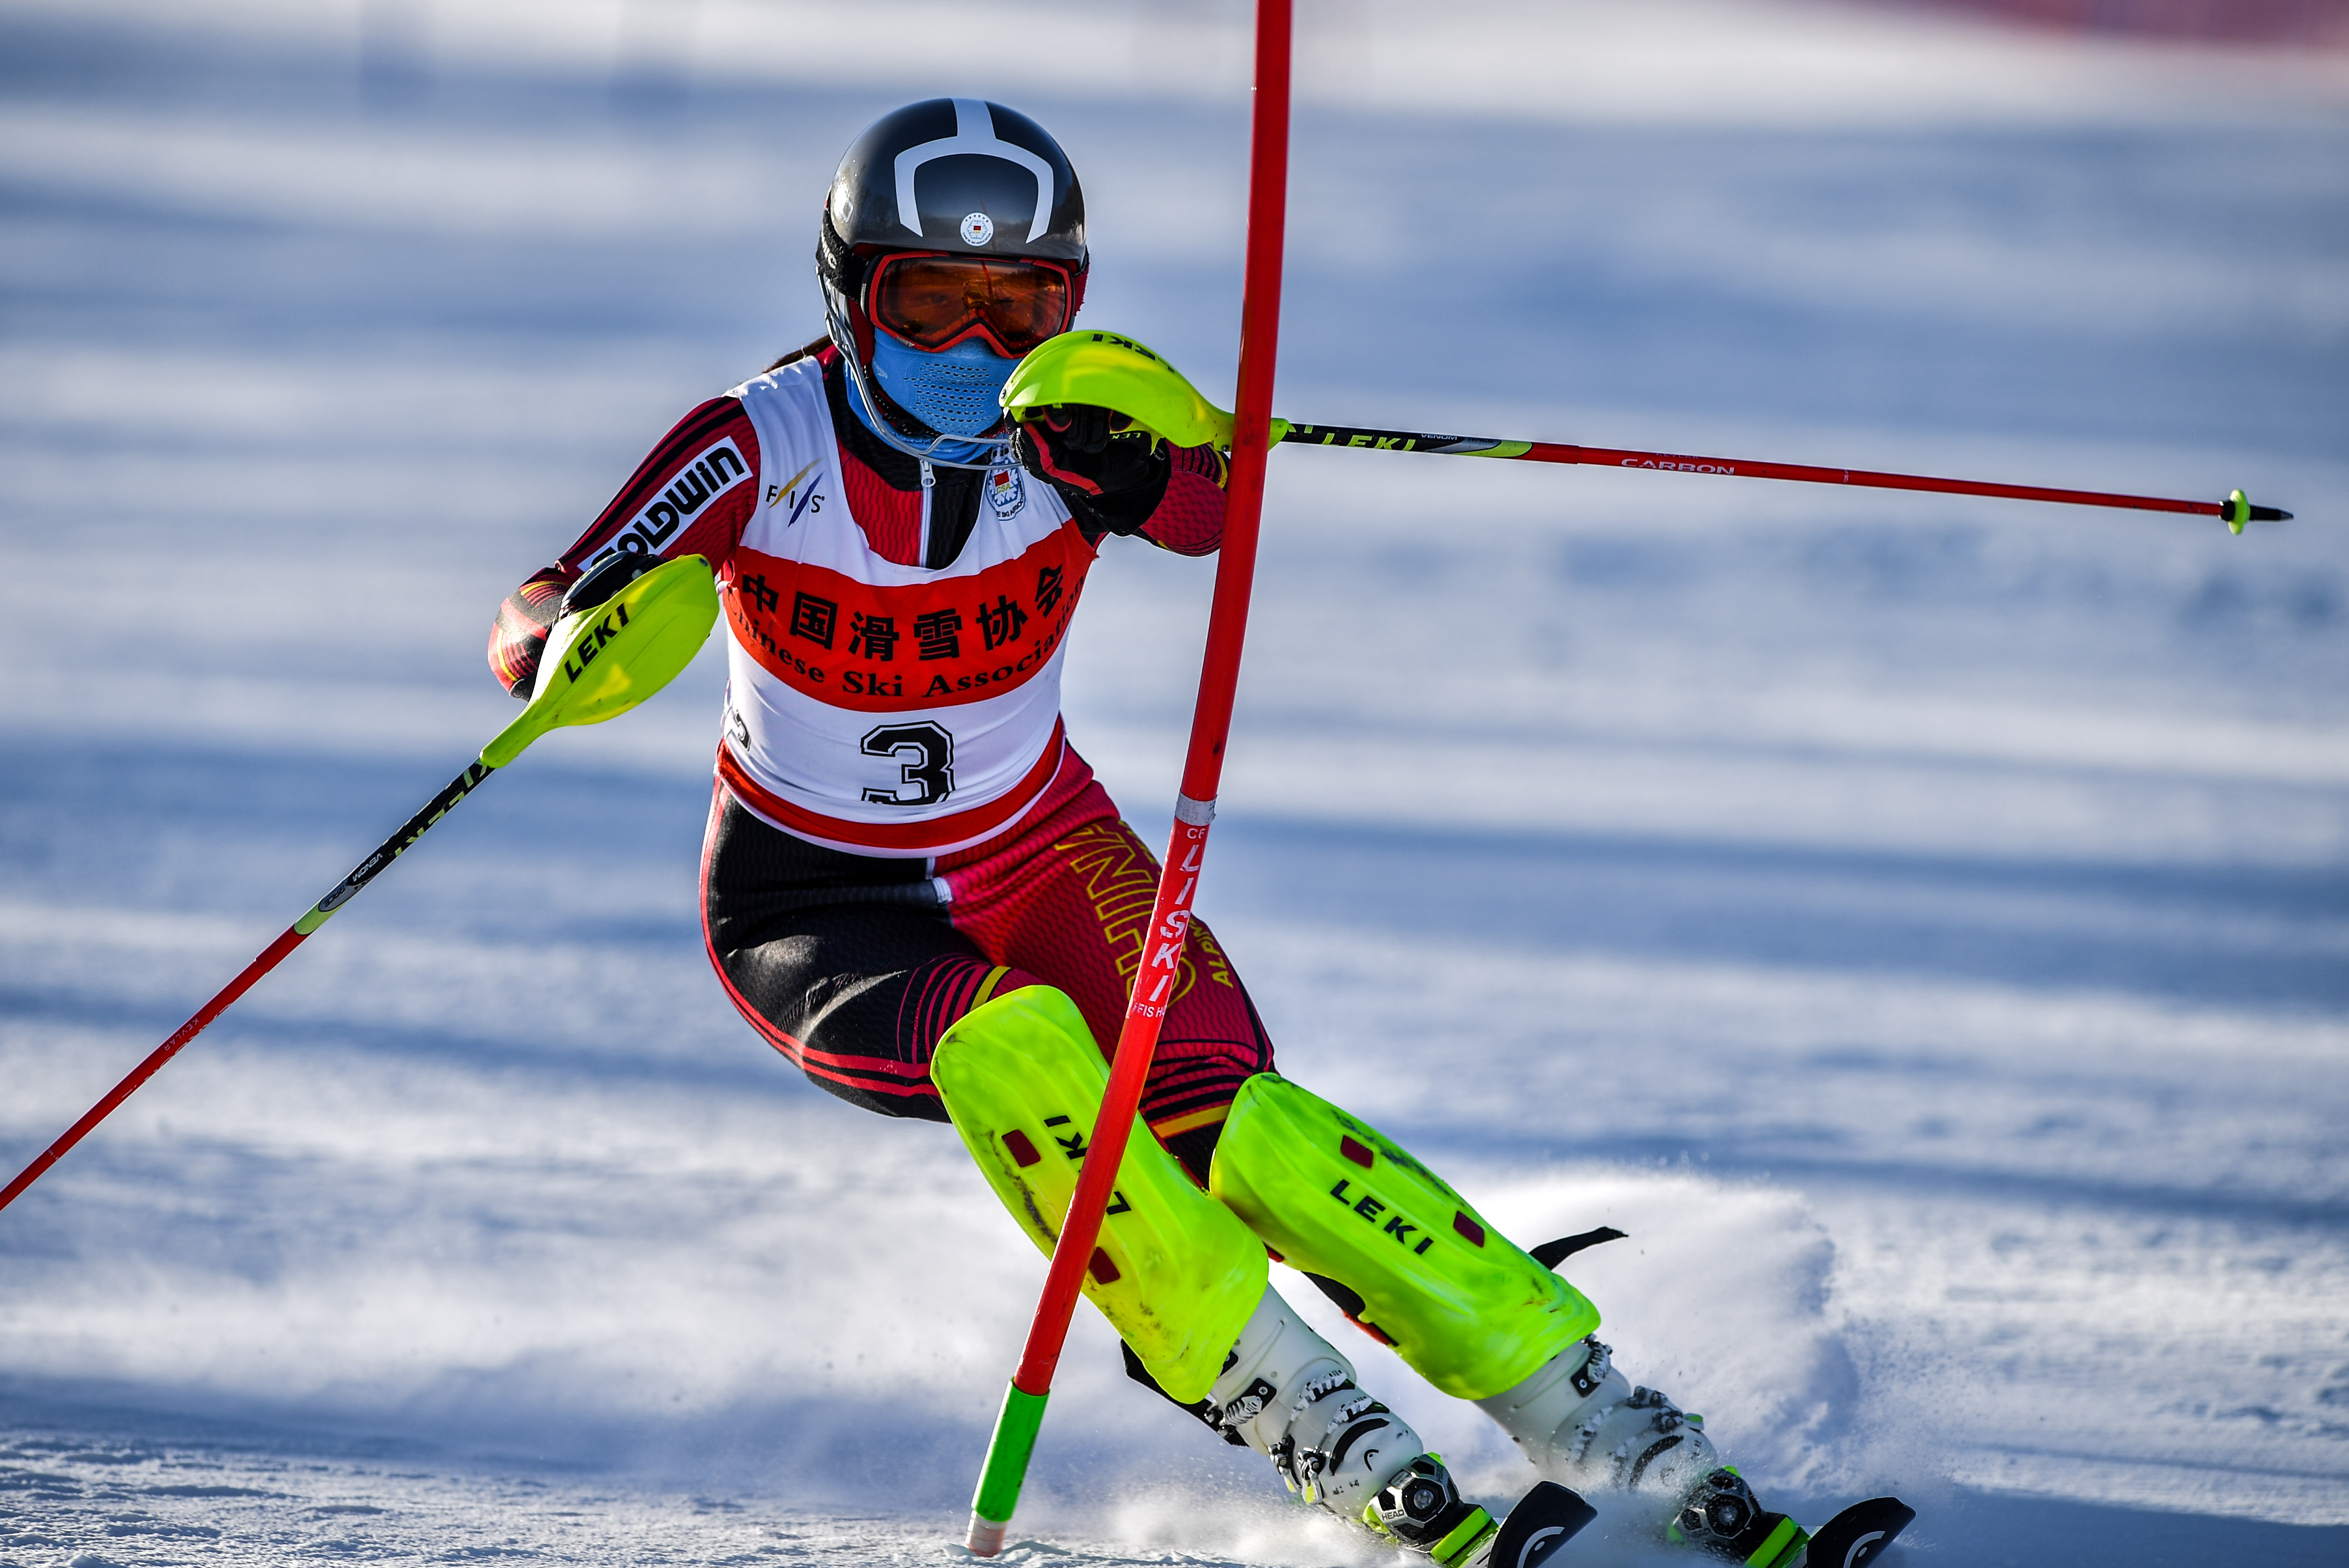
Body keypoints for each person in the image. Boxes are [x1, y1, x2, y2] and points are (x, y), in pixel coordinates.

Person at [485, 99, 1800, 1568]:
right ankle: (1289, 1397)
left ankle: (1590, 1408)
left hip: (1040, 844)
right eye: (928, 301)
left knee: (1246, 1125)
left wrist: (1144, 472)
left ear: (1071, 305)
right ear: (849, 293)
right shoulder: (757, 441)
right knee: (1020, 1051)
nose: (975, 349)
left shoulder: (1069, 418)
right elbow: (546, 602)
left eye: (1020, 305)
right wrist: (560, 646)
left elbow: (1204, 504)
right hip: (812, 896)